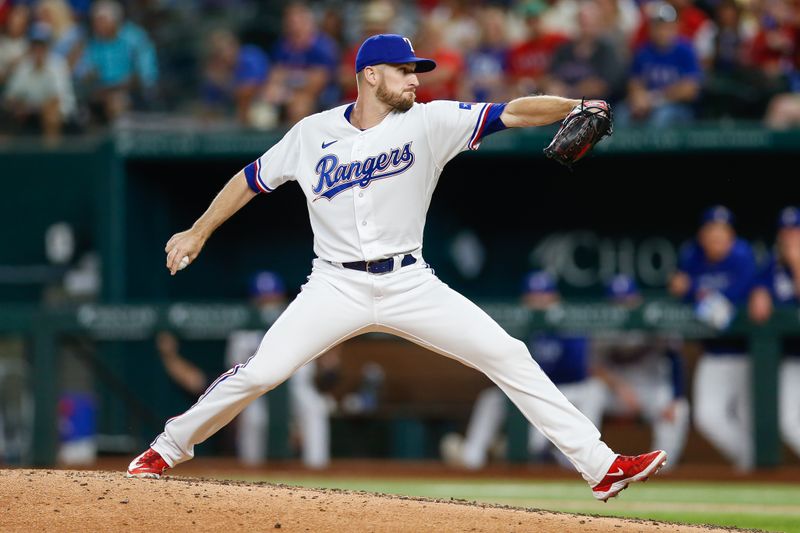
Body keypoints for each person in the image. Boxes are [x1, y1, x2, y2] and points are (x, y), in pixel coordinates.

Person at [127, 33, 666, 501]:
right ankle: (167, 448)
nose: (415, 79)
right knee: (263, 371)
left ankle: (600, 466)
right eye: (404, 71)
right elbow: (251, 178)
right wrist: (198, 230)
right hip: (334, 283)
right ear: (369, 76)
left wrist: (576, 103)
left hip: (410, 282)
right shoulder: (311, 133)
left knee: (508, 353)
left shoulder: (430, 122)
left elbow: (513, 110)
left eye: (416, 70)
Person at [155, 271, 332, 468]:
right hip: (260, 390)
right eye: (263, 297)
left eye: (273, 296)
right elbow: (236, 370)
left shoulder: (297, 318)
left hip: (297, 385)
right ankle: (251, 470)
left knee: (315, 407)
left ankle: (317, 469)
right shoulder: (242, 333)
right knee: (254, 416)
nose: (268, 301)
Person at [440, 271, 605, 470]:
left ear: (555, 298)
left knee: (593, 391)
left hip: (568, 389)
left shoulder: (567, 322)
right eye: (533, 296)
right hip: (531, 387)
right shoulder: (517, 325)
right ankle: (472, 456)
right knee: (491, 399)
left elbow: (574, 367)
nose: (539, 301)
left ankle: (565, 457)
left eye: (544, 296)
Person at [669, 205, 757, 470]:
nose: (716, 237)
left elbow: (723, 315)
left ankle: (755, 468)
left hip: (747, 353)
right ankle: (750, 463)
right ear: (702, 235)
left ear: (731, 235)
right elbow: (681, 291)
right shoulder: (692, 256)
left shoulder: (743, 257)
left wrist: (693, 289)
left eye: (722, 231)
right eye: (711, 231)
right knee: (707, 418)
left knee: (748, 417)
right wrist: (691, 293)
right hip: (714, 354)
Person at [593, 274, 689, 470]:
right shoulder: (601, 326)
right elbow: (592, 366)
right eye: (617, 301)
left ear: (637, 299)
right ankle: (582, 466)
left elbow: (676, 358)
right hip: (617, 394)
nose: (623, 306)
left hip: (651, 390)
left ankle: (661, 471)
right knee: (591, 393)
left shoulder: (654, 320)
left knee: (678, 409)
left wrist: (675, 397)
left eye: (627, 300)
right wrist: (619, 387)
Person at [748, 206, 800, 459]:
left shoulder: (791, 261)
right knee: (788, 422)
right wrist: (759, 291)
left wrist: (797, 263)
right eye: (786, 231)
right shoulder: (773, 264)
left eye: (796, 231)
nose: (790, 237)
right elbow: (758, 285)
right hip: (793, 358)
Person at [617, 1, 701, 127]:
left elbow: (690, 89)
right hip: (647, 104)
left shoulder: (685, 50)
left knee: (660, 118)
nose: (662, 31)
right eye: (658, 26)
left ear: (675, 27)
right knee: (620, 114)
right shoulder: (643, 51)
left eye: (666, 27)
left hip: (678, 107)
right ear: (651, 28)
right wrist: (638, 98)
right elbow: (634, 82)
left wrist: (655, 100)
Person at [2, 21, 76, 140]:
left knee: (50, 115)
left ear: (48, 46)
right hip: (29, 113)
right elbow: (10, 97)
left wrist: (30, 108)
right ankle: (7, 158)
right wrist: (19, 105)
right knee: (7, 116)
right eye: (35, 45)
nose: (38, 50)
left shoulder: (58, 65)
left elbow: (55, 101)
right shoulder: (24, 66)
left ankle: (50, 156)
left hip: (61, 113)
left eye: (42, 45)